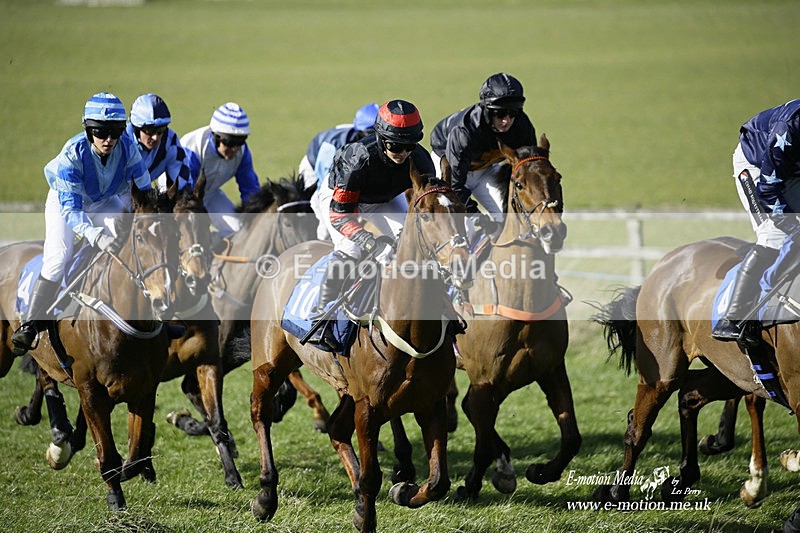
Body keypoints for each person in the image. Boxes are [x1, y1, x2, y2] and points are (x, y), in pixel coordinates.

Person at [11, 92, 152, 355]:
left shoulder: (128, 147)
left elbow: (145, 189)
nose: (108, 139)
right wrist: (96, 236)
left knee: (130, 240)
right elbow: (72, 212)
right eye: (100, 132)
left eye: (115, 132)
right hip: (66, 204)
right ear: (88, 130)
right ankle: (30, 324)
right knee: (58, 256)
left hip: (103, 200)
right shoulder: (71, 154)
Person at [309, 99, 435, 349]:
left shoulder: (419, 158)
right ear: (380, 137)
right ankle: (320, 317)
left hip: (383, 198)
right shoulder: (358, 158)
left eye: (409, 145)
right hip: (339, 198)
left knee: (414, 241)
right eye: (395, 145)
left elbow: (430, 199)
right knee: (351, 250)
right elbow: (340, 215)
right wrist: (372, 244)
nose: (403, 153)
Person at [712, 98, 800, 343]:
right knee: (774, 235)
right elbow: (768, 188)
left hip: (790, 169)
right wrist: (794, 226)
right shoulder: (790, 126)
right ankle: (734, 316)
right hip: (758, 167)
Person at [429, 72, 537, 240]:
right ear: (488, 110)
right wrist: (480, 218)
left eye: (512, 114)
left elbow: (530, 170)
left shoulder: (522, 126)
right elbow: (455, 186)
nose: (506, 121)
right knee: (464, 230)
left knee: (512, 220)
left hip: (485, 169)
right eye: (500, 114)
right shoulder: (465, 131)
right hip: (448, 169)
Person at [298, 103, 379, 240]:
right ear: (359, 131)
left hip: (352, 171)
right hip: (317, 171)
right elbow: (326, 185)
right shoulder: (334, 146)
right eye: (371, 134)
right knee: (326, 218)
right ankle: (320, 247)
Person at [181, 102, 260, 237]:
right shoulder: (192, 149)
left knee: (240, 232)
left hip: (210, 194)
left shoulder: (243, 152)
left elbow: (250, 191)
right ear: (215, 136)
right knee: (194, 235)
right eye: (229, 142)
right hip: (180, 200)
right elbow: (187, 198)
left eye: (240, 141)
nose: (235, 149)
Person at [127, 93, 192, 192]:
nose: (155, 137)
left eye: (161, 129)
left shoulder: (170, 141)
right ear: (136, 127)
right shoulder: (121, 142)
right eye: (149, 130)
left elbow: (182, 189)